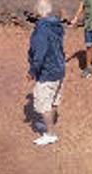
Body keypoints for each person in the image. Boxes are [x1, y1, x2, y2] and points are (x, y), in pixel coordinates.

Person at [27, 0, 66, 147]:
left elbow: (39, 54)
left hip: (47, 71)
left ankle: (50, 134)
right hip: (59, 68)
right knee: (54, 99)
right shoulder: (57, 25)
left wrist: (32, 71)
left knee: (44, 103)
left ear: (38, 11)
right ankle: (50, 125)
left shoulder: (41, 30)